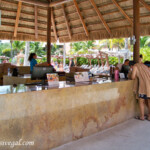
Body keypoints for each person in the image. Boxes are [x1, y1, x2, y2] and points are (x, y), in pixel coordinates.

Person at [131, 55, 150, 121]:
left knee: (141, 101)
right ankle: (149, 116)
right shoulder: (145, 66)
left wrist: (132, 74)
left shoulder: (135, 66)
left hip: (143, 86)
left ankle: (142, 116)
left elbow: (133, 77)